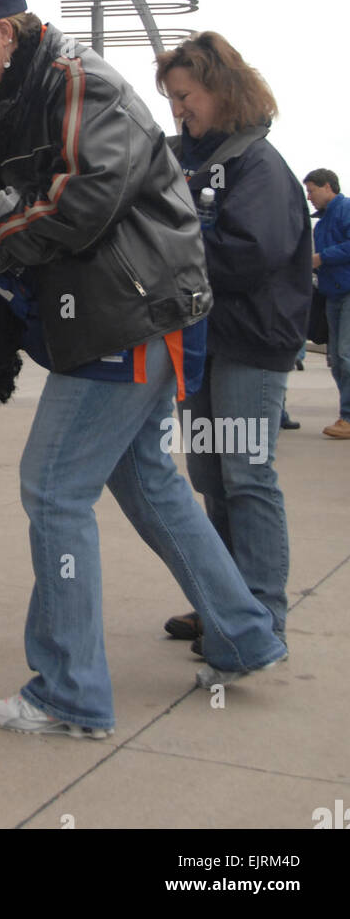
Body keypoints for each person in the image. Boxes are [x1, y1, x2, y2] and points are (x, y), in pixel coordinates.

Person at [0, 0, 288, 737]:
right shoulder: (11, 98)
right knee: (151, 486)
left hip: (124, 314)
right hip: (123, 313)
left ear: (6, 29)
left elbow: (83, 198)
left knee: (53, 489)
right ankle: (245, 633)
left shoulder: (76, 82)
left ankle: (70, 692)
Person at [155, 33, 311, 655]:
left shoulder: (260, 165)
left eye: (186, 96)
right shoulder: (193, 161)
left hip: (249, 344)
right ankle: (225, 600)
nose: (178, 110)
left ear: (220, 89)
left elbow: (250, 256)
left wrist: (168, 249)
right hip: (204, 342)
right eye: (170, 99)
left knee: (247, 477)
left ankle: (262, 617)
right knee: (212, 477)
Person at [302, 170, 350, 438]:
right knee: (336, 358)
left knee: (344, 355)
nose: (309, 197)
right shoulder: (320, 224)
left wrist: (321, 258)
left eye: (311, 190)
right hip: (333, 294)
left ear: (328, 187)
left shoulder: (346, 210)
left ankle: (348, 417)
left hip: (347, 292)